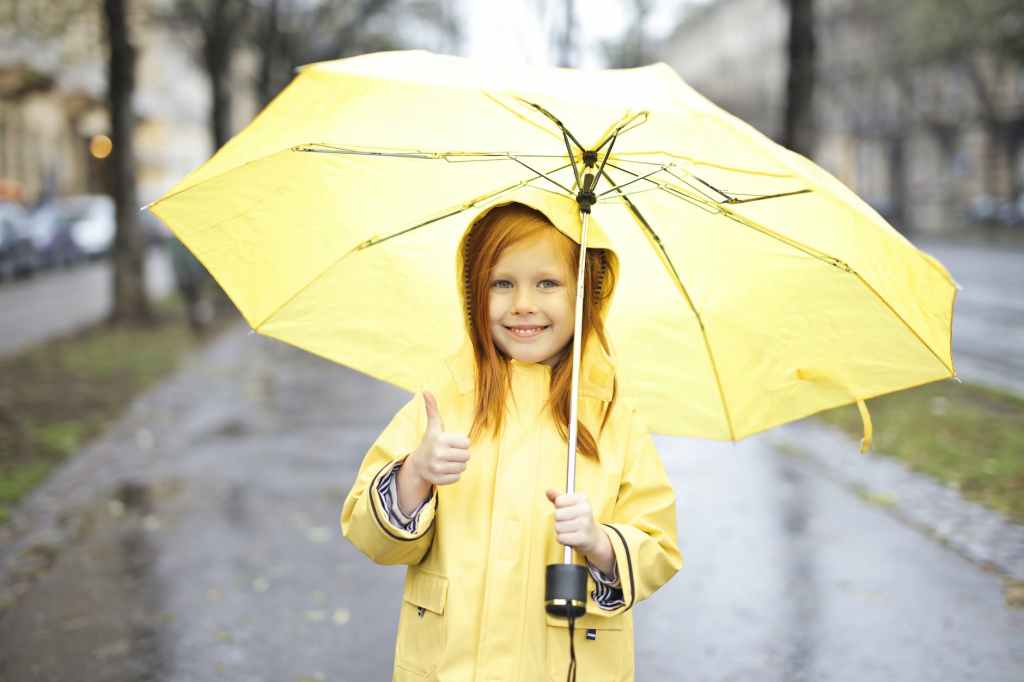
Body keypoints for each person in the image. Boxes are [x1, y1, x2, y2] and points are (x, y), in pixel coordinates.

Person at [340, 198, 682, 681]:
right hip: (447, 667)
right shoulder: (443, 405)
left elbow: (658, 548)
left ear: (586, 294)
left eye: (547, 283)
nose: (523, 303)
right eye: (502, 284)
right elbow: (368, 534)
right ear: (474, 296)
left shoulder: (611, 421)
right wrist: (415, 473)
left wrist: (600, 543)